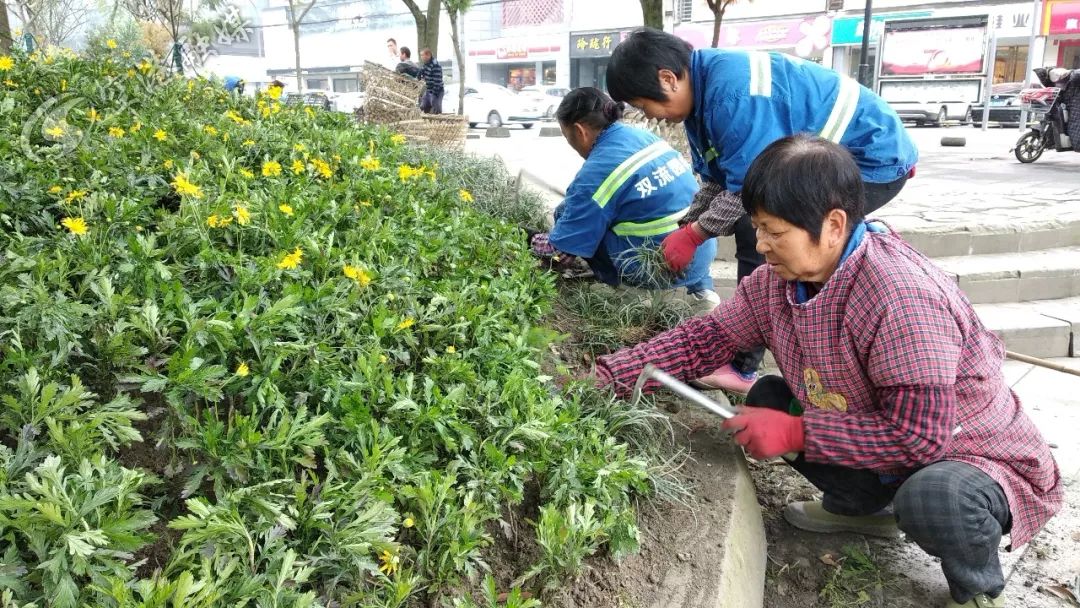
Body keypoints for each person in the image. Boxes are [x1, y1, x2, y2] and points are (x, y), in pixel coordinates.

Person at [591, 135, 1062, 608]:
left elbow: (920, 438)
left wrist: (796, 433)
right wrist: (612, 375)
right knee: (770, 398)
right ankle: (862, 508)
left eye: (774, 230)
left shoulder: (899, 298)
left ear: (833, 225)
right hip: (884, 442)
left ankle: (978, 586)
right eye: (757, 228)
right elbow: (704, 340)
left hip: (971, 456)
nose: (761, 245)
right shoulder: (776, 285)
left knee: (935, 498)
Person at [605, 28, 919, 393]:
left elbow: (745, 191)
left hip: (870, 158)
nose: (652, 117)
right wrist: (688, 224)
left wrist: (694, 236)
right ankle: (759, 357)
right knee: (767, 238)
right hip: (829, 161)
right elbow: (717, 178)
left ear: (668, 79)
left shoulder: (733, 95)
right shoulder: (700, 98)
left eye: (646, 106)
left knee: (780, 246)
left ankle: (763, 368)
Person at [529, 87, 719, 301]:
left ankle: (630, 294)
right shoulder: (641, 136)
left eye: (567, 136)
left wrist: (531, 240)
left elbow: (561, 251)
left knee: (575, 220)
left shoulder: (596, 172)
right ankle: (703, 293)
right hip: (702, 246)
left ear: (580, 131)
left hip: (660, 265)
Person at [1048, 67, 1080, 151]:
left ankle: (1075, 145)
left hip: (1074, 107)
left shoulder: (1074, 78)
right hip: (1066, 106)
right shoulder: (1064, 86)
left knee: (1074, 126)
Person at [419, 48, 444, 114]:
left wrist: (434, 94)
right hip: (428, 90)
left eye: (422, 55)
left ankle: (438, 122)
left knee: (436, 111)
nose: (421, 57)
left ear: (428, 55)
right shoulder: (425, 64)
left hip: (436, 91)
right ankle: (425, 121)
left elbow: (437, 82)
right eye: (420, 55)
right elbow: (421, 74)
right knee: (423, 106)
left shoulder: (435, 65)